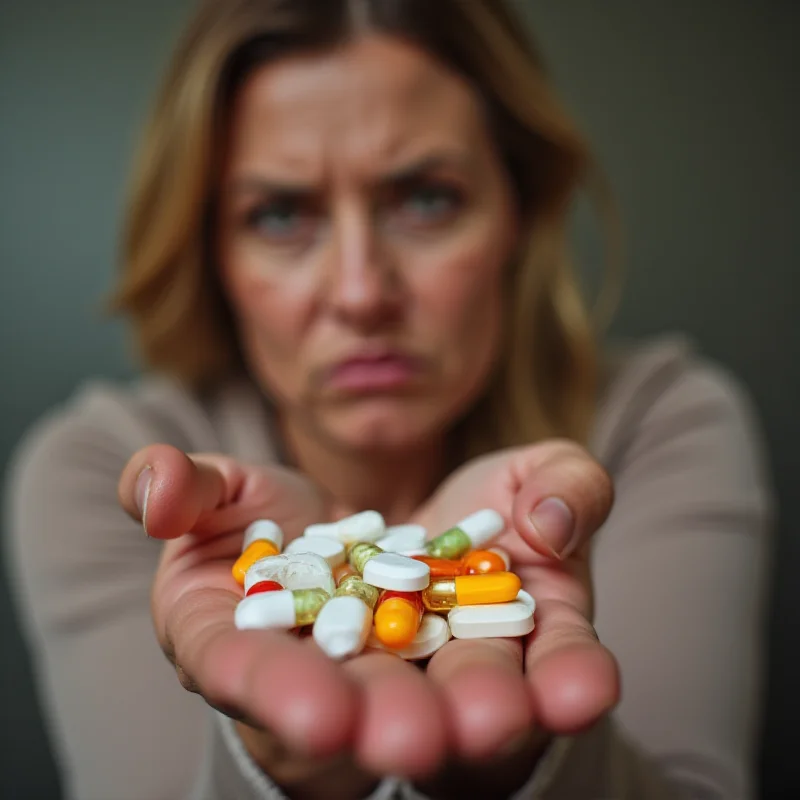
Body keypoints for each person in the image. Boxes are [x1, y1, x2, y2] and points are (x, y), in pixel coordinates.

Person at [3, 0, 773, 798]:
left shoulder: (659, 420)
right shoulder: (98, 470)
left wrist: (524, 767)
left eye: (426, 198)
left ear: (519, 216)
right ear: (212, 255)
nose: (362, 291)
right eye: (280, 215)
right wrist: (274, 770)